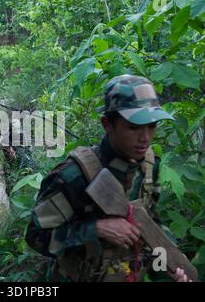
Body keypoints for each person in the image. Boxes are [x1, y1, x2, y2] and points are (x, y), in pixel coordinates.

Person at [25, 74, 191, 282]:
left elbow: (150, 220)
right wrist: (96, 229)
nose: (145, 138)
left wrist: (168, 260)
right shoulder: (74, 176)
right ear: (107, 124)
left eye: (152, 126)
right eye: (134, 127)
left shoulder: (149, 166)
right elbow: (36, 237)